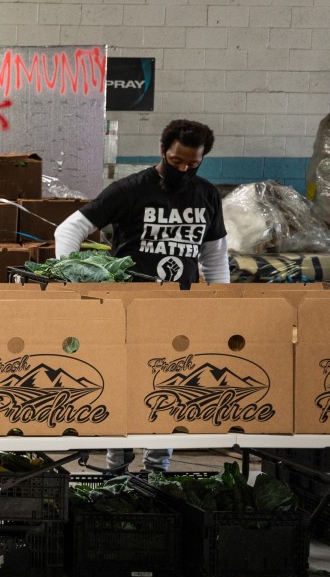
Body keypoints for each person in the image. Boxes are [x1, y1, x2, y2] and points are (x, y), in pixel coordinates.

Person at [53, 118, 229, 475]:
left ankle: (157, 469)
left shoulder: (207, 195)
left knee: (170, 385)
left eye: (192, 164)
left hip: (180, 310)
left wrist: (220, 304)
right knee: (124, 384)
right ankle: (116, 465)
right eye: (176, 161)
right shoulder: (130, 190)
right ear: (163, 150)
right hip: (127, 310)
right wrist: (73, 283)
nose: (182, 169)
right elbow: (69, 229)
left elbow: (214, 256)